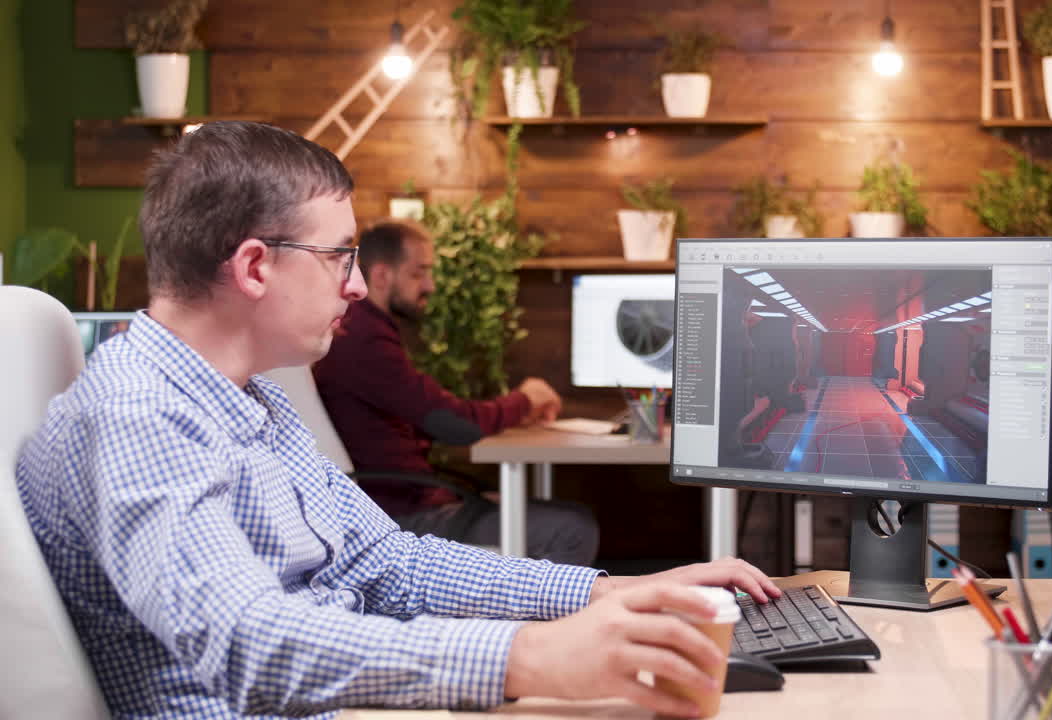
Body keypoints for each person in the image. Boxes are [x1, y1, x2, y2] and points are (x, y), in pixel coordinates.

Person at [15, 121, 781, 719]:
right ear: (255, 267)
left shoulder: (254, 400)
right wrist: (532, 658)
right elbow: (250, 642)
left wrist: (607, 594)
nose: (354, 287)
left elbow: (392, 564)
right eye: (339, 256)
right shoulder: (138, 414)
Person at [312, 219, 598, 565]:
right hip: (397, 520)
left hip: (406, 502)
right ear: (383, 275)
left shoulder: (367, 332)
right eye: (419, 273)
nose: (429, 285)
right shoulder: (365, 342)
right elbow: (455, 423)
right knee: (572, 527)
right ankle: (542, 621)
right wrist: (525, 399)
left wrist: (465, 496)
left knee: (544, 512)